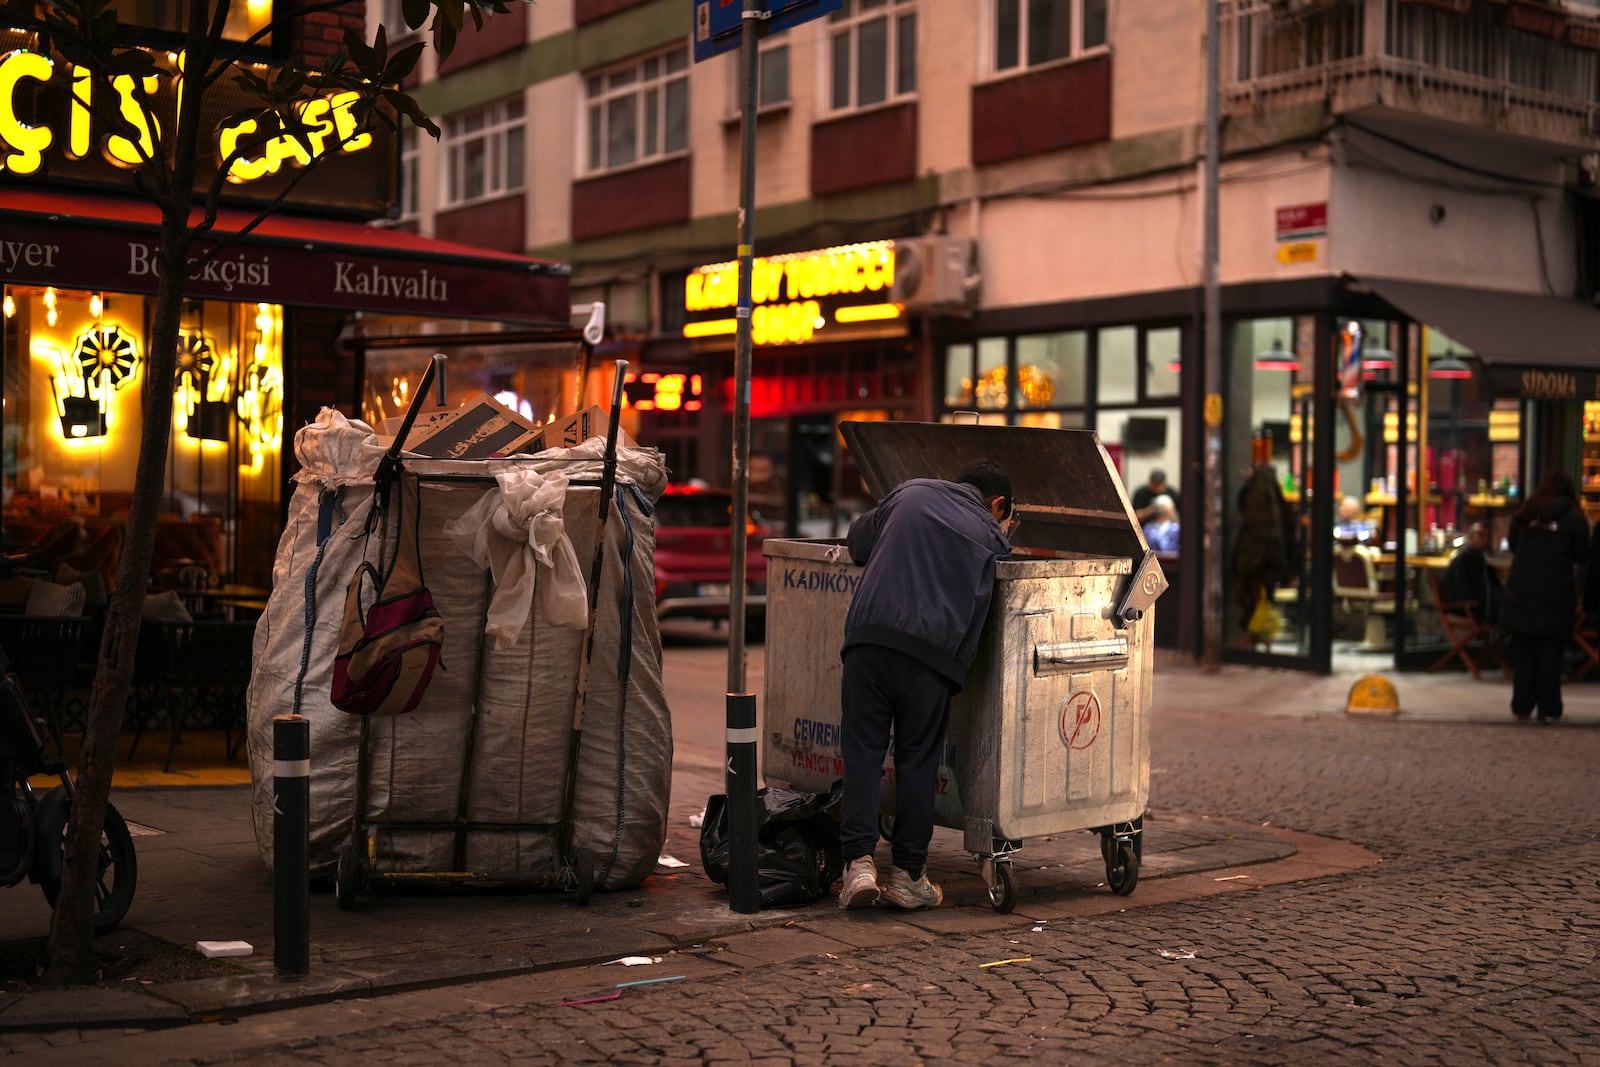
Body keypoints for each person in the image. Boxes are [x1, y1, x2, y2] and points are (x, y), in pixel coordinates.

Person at [836, 460, 1015, 910]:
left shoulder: (910, 489)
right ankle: (908, 876)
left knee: (861, 753)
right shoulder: (992, 537)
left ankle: (857, 865)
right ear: (997, 505)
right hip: (929, 658)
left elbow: (857, 542)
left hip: (868, 640)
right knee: (917, 761)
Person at [1499, 470, 1587, 723]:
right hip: (1555, 594)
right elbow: (1582, 554)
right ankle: (1549, 708)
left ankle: (1521, 706)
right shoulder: (1573, 517)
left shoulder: (1526, 513)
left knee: (1523, 651)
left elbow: (1513, 544)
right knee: (1551, 651)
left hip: (1521, 592)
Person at [1441, 522, 1502, 624]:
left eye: (1488, 536)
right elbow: (1460, 591)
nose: (1485, 540)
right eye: (1481, 536)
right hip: (1469, 610)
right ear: (1470, 538)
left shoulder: (1480, 560)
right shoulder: (1463, 560)